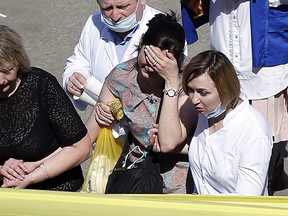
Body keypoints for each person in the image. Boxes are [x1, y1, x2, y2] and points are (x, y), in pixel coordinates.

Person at [85, 12, 198, 193]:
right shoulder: (122, 76)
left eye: (159, 62)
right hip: (137, 175)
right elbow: (87, 138)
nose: (151, 66)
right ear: (142, 42)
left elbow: (169, 142)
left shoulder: (191, 79)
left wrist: (170, 83)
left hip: (182, 180)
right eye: (148, 55)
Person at [153, 50, 273, 195]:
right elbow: (211, 151)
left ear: (226, 89)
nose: (194, 99)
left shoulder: (254, 131)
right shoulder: (207, 111)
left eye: (203, 93)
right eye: (190, 90)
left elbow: (246, 201)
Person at [208, 0, 288, 195]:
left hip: (265, 62)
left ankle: (267, 182)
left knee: (266, 136)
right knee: (225, 134)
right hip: (225, 42)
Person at [0, 25, 92, 190]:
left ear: (18, 62)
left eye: (7, 70)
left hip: (56, 190)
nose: (1, 81)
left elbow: (82, 148)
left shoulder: (41, 85)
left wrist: (32, 175)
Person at [62, 0, 161, 110]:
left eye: (122, 7)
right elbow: (79, 61)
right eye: (107, 8)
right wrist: (73, 79)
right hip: (103, 121)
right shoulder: (94, 21)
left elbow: (176, 85)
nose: (115, 16)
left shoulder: (166, 31)